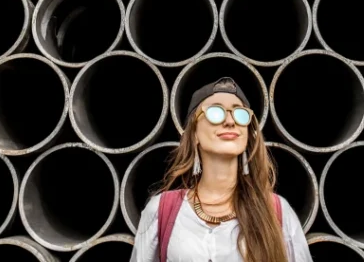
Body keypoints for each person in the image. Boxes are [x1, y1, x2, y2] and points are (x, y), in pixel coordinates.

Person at [131, 77, 312, 262]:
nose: (230, 121)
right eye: (215, 112)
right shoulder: (161, 210)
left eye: (240, 113)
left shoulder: (276, 211)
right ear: (194, 134)